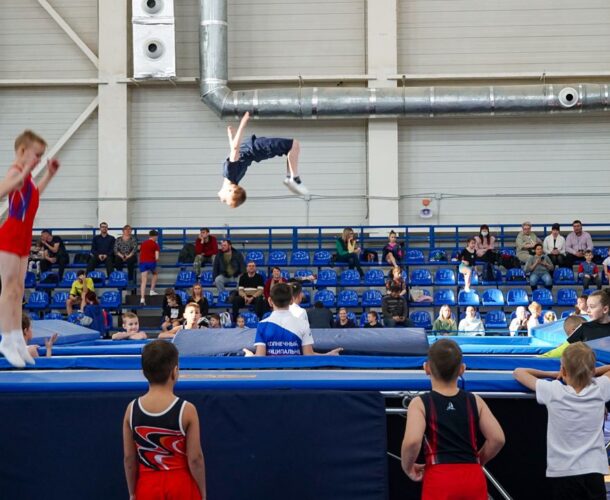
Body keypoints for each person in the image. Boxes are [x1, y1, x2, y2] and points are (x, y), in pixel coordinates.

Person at [401, 339, 505, 499]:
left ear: (426, 368)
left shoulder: (420, 403)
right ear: (462, 369)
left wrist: (407, 467)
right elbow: (497, 439)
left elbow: (412, 442)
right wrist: (478, 461)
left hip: (439, 478)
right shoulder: (475, 400)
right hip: (472, 477)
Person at [513, 343, 610, 500]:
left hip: (563, 471)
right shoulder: (600, 388)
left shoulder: (554, 391)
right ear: (592, 371)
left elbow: (518, 372)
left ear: (563, 371)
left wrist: (551, 374)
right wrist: (590, 373)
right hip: (594, 470)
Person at [0, 130, 59, 367]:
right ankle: (6, 339)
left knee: (20, 290)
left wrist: (49, 175)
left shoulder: (29, 179)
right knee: (9, 288)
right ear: (22, 152)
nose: (38, 160)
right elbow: (5, 189)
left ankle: (17, 340)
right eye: (36, 155)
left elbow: (33, 196)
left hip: (25, 235)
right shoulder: (15, 171)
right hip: (11, 233)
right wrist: (24, 171)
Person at [122, 340, 206, 500]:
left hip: (147, 486)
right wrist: (202, 492)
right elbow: (195, 459)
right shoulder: (187, 410)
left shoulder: (131, 410)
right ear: (175, 371)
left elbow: (129, 459)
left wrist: (133, 493)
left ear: (144, 372)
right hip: (181, 485)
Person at [218, 111, 308, 208]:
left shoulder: (232, 177)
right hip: (256, 148)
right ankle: (293, 178)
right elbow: (235, 150)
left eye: (224, 201)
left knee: (292, 147)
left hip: (256, 151)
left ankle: (291, 177)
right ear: (230, 190)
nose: (223, 200)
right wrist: (243, 123)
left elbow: (235, 152)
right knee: (293, 145)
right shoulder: (230, 174)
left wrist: (231, 137)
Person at [253, 283, 342, 356]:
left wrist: (250, 356)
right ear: (292, 300)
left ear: (270, 301)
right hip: (295, 374)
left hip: (271, 375)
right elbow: (309, 355)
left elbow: (260, 358)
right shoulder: (303, 324)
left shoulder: (262, 325)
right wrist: (327, 355)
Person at [139, 230, 160, 304]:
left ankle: (142, 298)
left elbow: (141, 252)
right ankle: (151, 290)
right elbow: (157, 257)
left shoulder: (143, 243)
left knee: (143, 281)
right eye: (157, 236)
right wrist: (157, 259)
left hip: (143, 263)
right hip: (151, 262)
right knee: (155, 274)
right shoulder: (155, 244)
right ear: (154, 236)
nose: (157, 238)